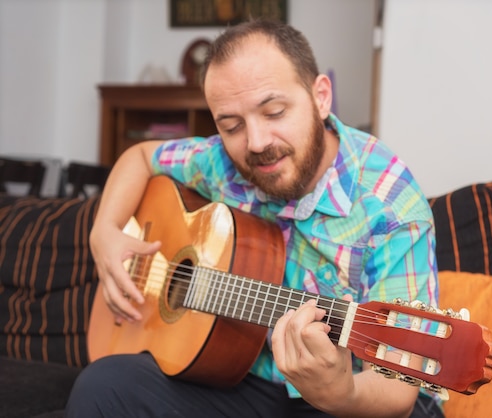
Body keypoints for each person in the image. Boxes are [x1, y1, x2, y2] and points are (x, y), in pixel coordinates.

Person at [66, 19, 442, 418]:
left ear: (321, 97)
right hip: (244, 377)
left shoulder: (391, 206)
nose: (257, 142)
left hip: (355, 397)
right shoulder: (222, 163)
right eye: (232, 126)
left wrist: (341, 393)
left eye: (274, 112)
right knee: (102, 387)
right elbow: (140, 156)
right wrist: (104, 230)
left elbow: (398, 390)